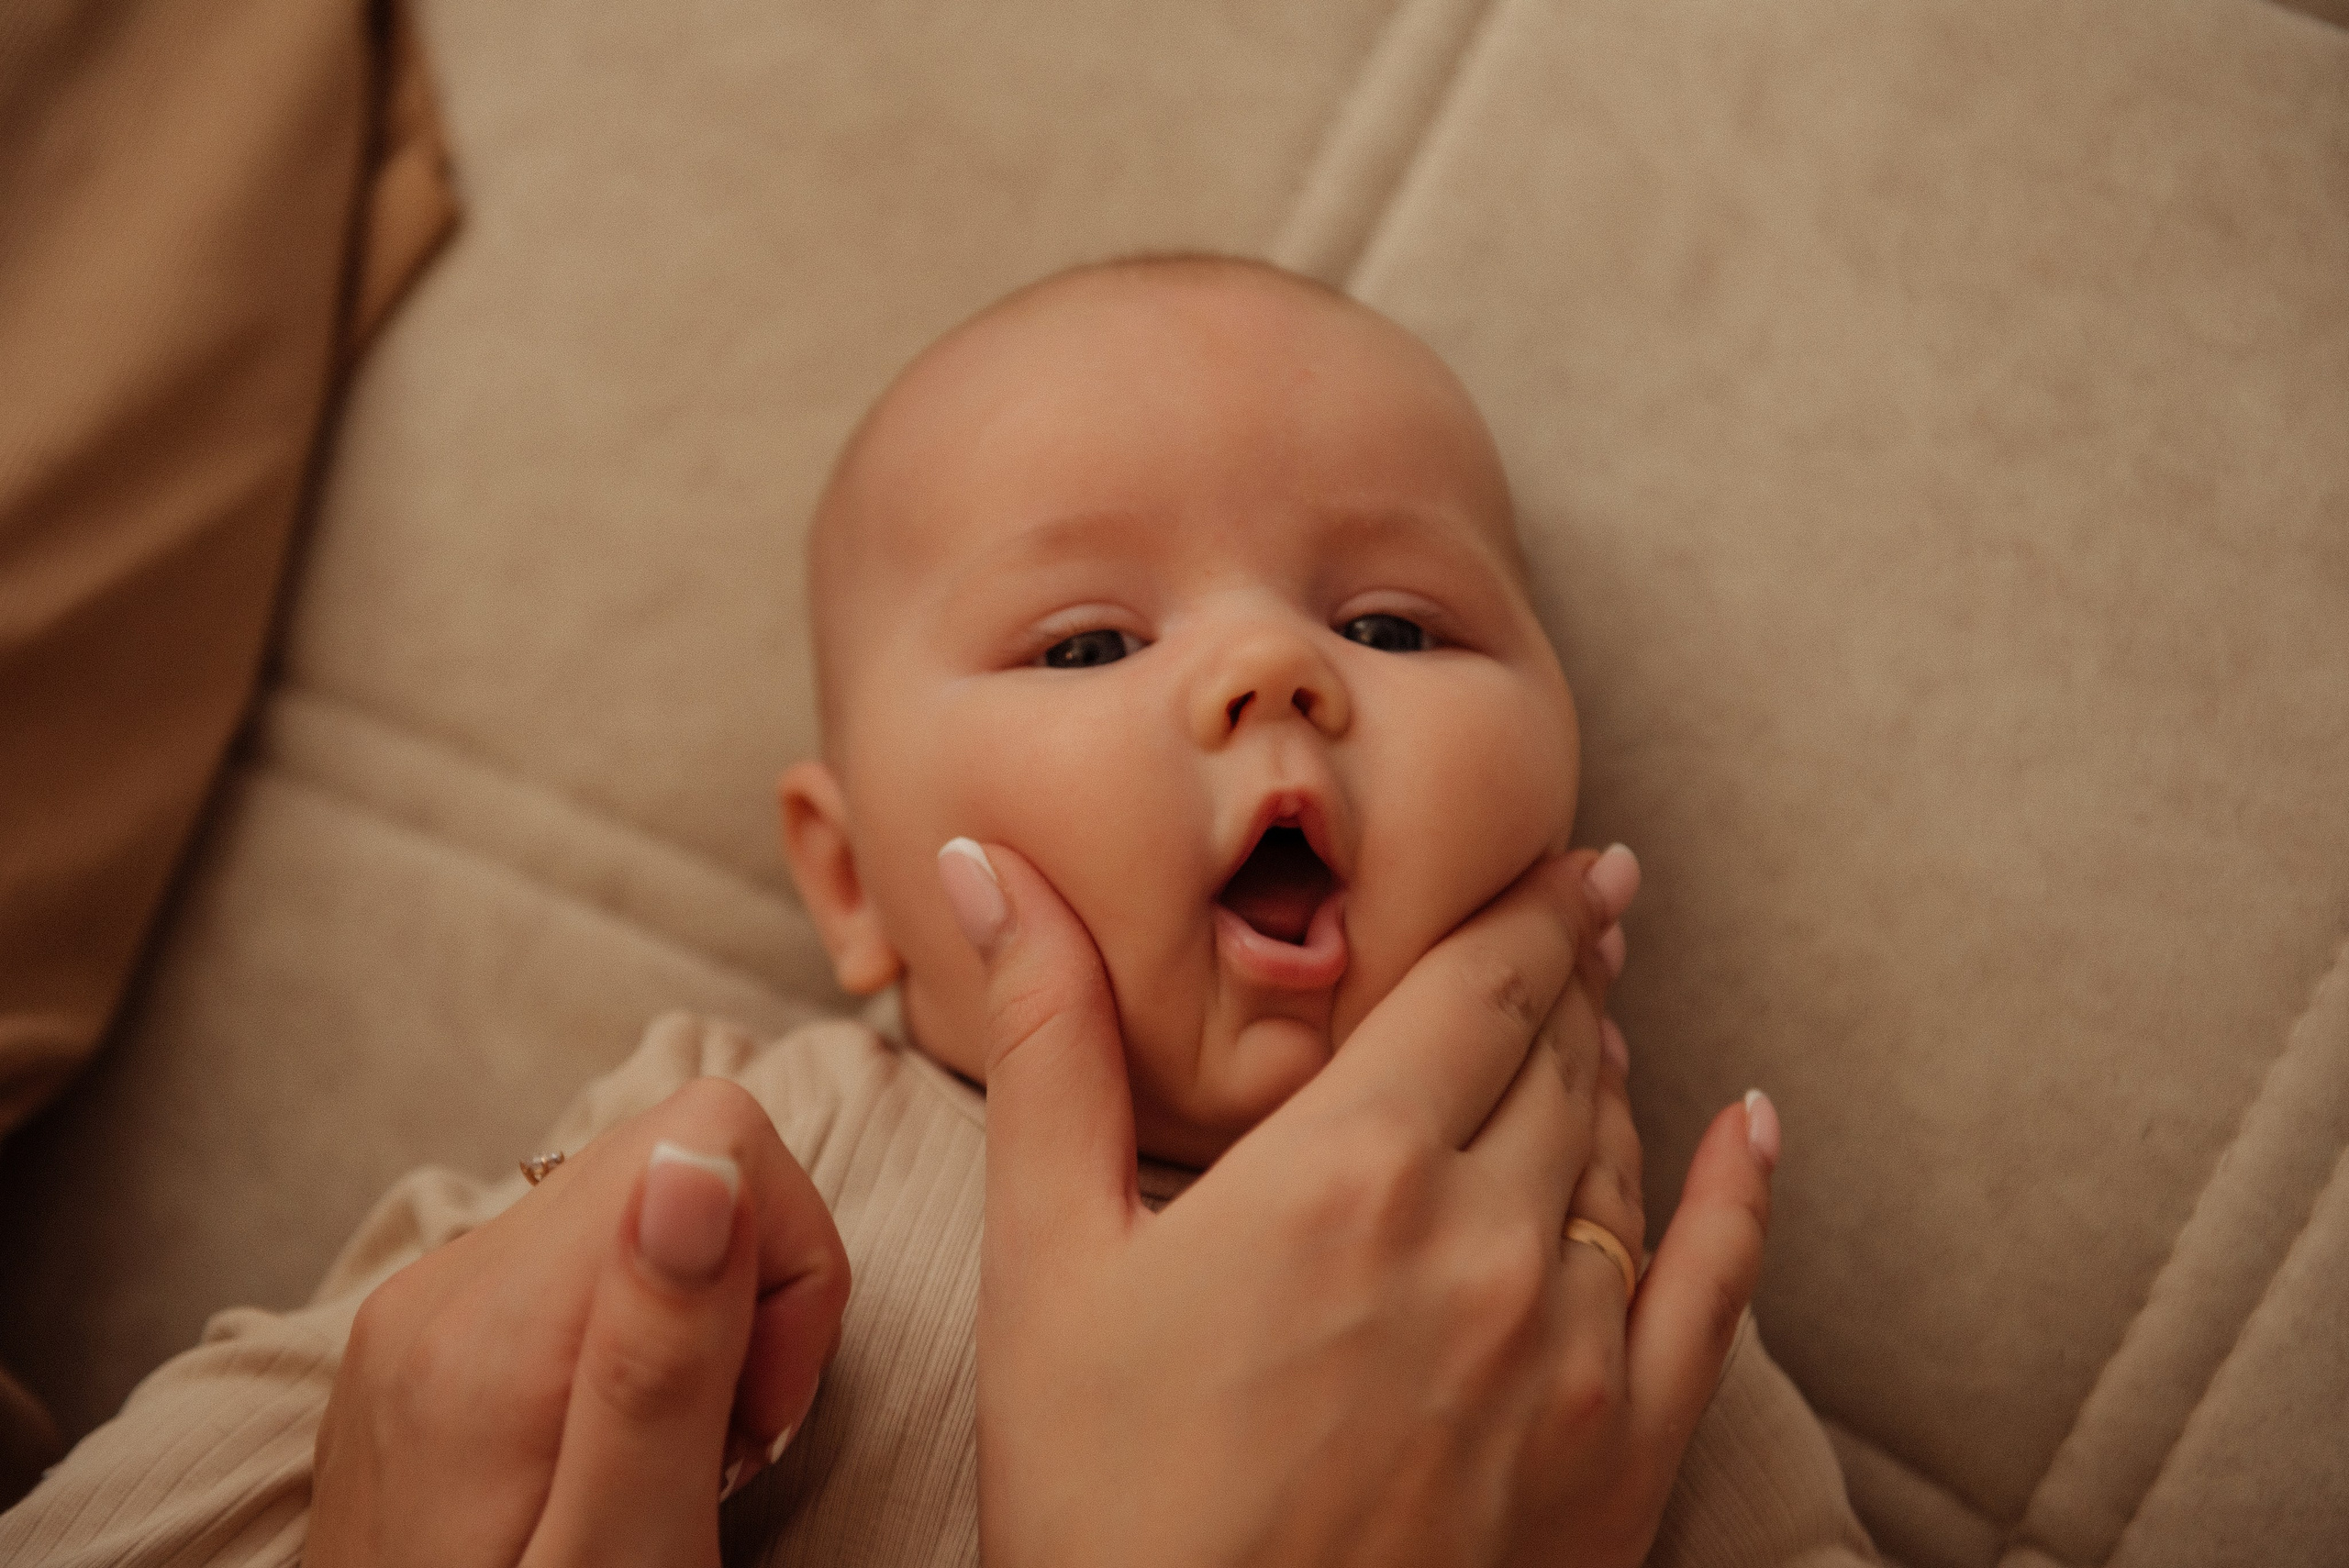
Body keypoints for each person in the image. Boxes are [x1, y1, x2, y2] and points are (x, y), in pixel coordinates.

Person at [0, 258, 1870, 1566]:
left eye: (1390, 625)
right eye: (1084, 640)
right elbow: (177, 1489)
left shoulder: (1594, 1323)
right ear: (850, 881)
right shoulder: (736, 1154)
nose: (1268, 673)